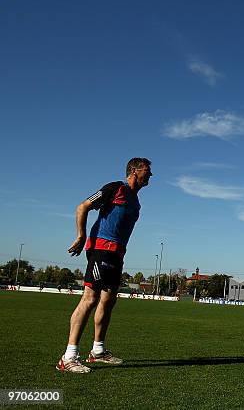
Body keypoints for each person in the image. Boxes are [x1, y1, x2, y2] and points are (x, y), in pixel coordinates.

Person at [56, 158, 152, 373]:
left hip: (117, 253)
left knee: (108, 300)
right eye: (147, 170)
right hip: (101, 249)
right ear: (135, 171)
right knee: (90, 298)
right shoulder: (115, 188)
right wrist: (81, 236)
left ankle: (98, 351)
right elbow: (83, 206)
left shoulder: (136, 201)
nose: (151, 175)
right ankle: (68, 357)